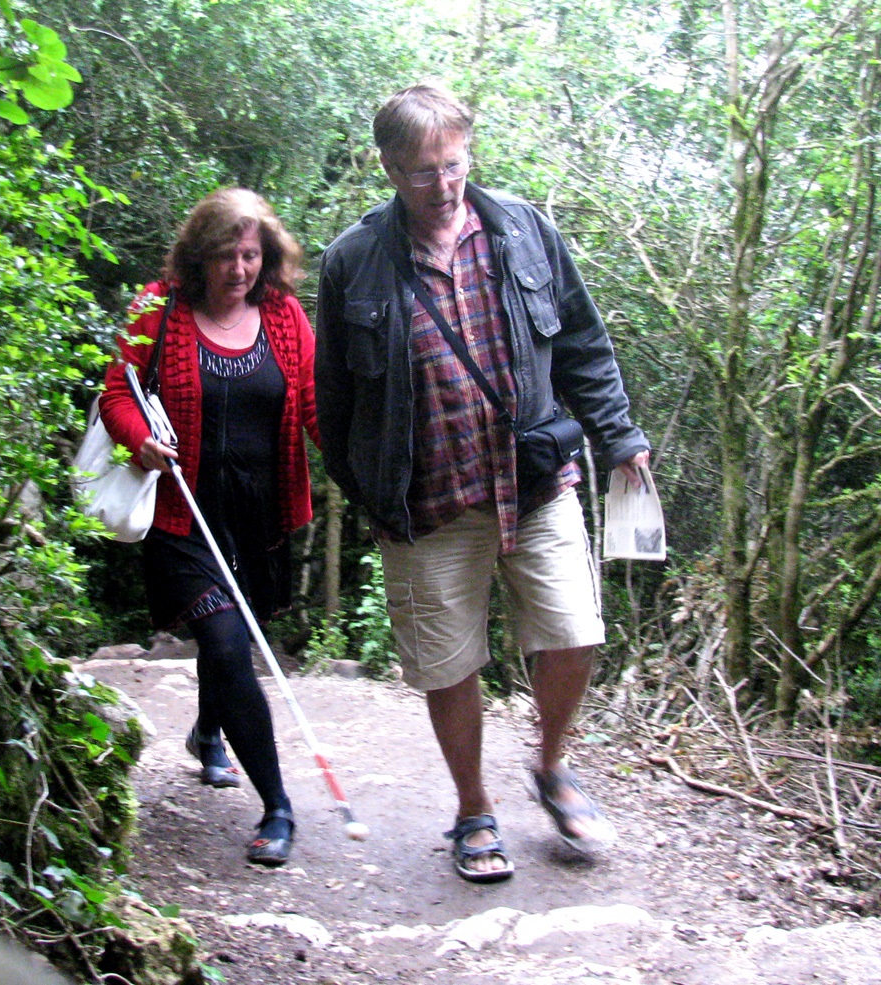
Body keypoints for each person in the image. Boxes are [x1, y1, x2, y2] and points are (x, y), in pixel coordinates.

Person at [315, 84, 650, 882]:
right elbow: (333, 402)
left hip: (533, 480)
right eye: (423, 171)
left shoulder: (525, 231)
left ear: (469, 150)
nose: (443, 184)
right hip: (425, 502)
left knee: (575, 631)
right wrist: (370, 495)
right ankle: (473, 808)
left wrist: (621, 436)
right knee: (447, 664)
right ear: (390, 168)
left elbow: (582, 343)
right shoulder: (352, 261)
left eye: (454, 164)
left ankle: (552, 765)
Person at [100, 188, 319, 866]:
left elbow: (313, 403)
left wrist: (367, 470)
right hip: (181, 511)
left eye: (251, 254)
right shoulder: (158, 306)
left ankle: (207, 730)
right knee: (225, 642)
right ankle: (278, 805)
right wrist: (140, 441)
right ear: (201, 254)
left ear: (268, 256)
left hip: (260, 515)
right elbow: (116, 391)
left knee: (229, 640)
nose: (239, 269)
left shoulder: (283, 316)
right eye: (226, 254)